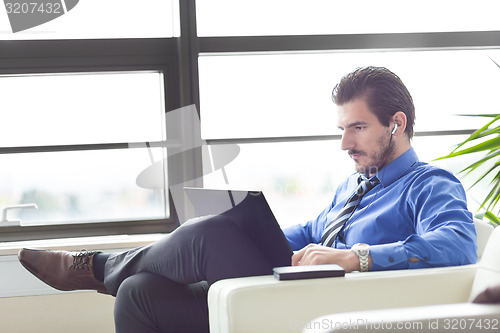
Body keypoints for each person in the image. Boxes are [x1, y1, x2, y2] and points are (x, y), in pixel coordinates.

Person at [18, 66, 477, 333]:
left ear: (396, 124)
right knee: (139, 294)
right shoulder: (353, 186)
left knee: (208, 237)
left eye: (357, 128)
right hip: (284, 290)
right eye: (342, 130)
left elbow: (456, 244)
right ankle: (113, 272)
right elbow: (311, 234)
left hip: (324, 307)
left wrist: (353, 257)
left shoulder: (430, 183)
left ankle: (95, 267)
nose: (345, 144)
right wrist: (252, 227)